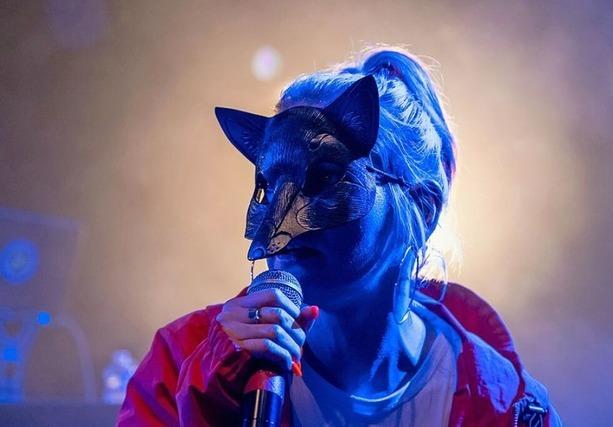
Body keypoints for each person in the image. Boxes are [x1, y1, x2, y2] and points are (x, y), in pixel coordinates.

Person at [116, 46, 562, 426]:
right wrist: (214, 397)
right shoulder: (181, 366)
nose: (278, 226)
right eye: (268, 186)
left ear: (423, 210)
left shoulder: (510, 409)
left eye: (324, 178)